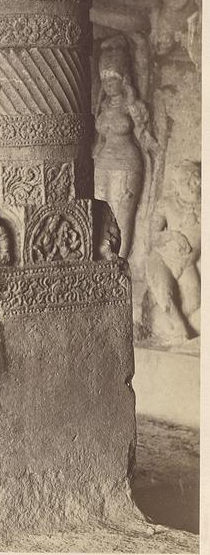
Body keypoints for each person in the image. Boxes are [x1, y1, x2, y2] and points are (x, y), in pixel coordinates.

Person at [93, 38, 158, 259]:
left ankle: (120, 262)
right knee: (100, 212)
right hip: (102, 163)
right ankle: (102, 261)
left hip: (128, 165)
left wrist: (131, 100)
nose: (108, 84)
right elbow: (100, 138)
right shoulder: (102, 106)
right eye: (104, 80)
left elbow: (143, 126)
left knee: (122, 216)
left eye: (113, 79)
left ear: (124, 79)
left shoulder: (132, 106)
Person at [145, 160, 201, 345]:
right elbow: (151, 238)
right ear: (176, 185)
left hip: (187, 264)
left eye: (196, 179)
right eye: (187, 181)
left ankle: (162, 320)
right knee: (164, 292)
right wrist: (173, 236)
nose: (194, 185)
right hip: (163, 258)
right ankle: (180, 330)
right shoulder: (167, 204)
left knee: (194, 301)